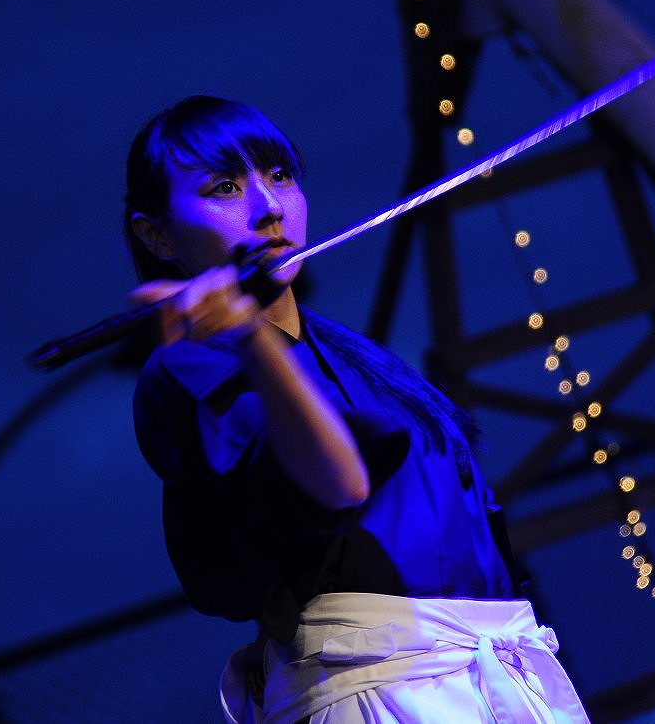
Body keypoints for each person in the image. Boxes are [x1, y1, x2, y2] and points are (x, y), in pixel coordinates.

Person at [124, 96, 590, 723]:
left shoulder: (355, 356)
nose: (268, 208)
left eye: (280, 176)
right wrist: (249, 337)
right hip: (377, 691)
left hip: (494, 672)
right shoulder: (189, 369)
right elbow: (339, 482)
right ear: (155, 235)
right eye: (225, 188)